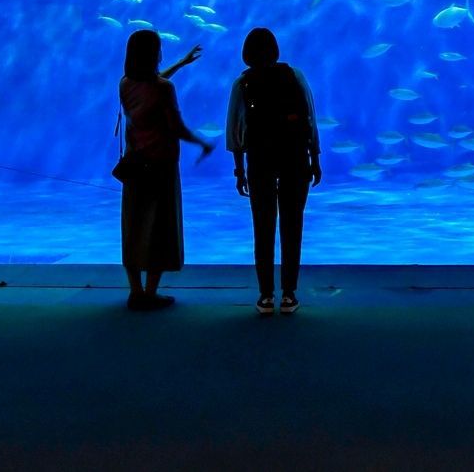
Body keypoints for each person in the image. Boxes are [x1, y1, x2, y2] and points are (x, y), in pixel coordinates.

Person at [226, 28, 322, 315]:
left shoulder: (242, 83)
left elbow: (235, 131)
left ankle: (266, 295)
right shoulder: (295, 76)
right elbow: (310, 118)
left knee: (263, 228)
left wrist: (239, 170)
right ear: (276, 50)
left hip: (259, 162)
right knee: (293, 227)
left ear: (246, 54)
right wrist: (315, 158)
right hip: (295, 159)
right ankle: (289, 294)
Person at [118, 29, 212, 311]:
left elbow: (151, 88)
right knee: (158, 226)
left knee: (134, 225)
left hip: (134, 164)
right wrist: (202, 143)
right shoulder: (163, 89)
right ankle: (151, 292)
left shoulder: (125, 83)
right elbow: (176, 126)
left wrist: (181, 64)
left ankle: (135, 292)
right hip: (160, 164)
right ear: (154, 53)